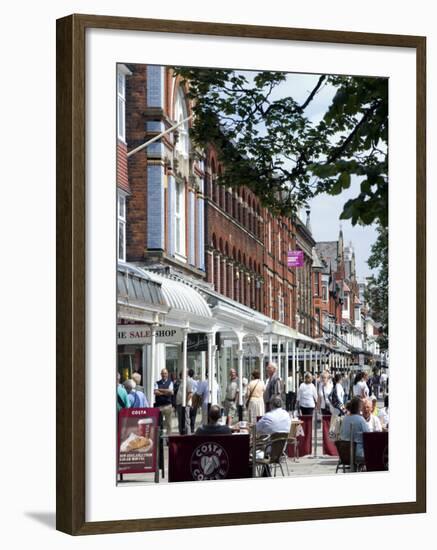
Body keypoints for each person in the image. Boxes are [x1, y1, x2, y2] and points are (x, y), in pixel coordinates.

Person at [154, 368, 174, 436]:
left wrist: (160, 390)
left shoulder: (170, 382)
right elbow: (156, 392)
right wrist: (166, 392)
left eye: (165, 373)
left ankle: (169, 439)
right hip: (159, 406)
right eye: (162, 373)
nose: (164, 375)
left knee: (169, 423)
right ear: (161, 374)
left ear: (167, 374)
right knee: (159, 424)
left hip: (168, 406)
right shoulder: (157, 383)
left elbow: (171, 392)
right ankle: (160, 439)